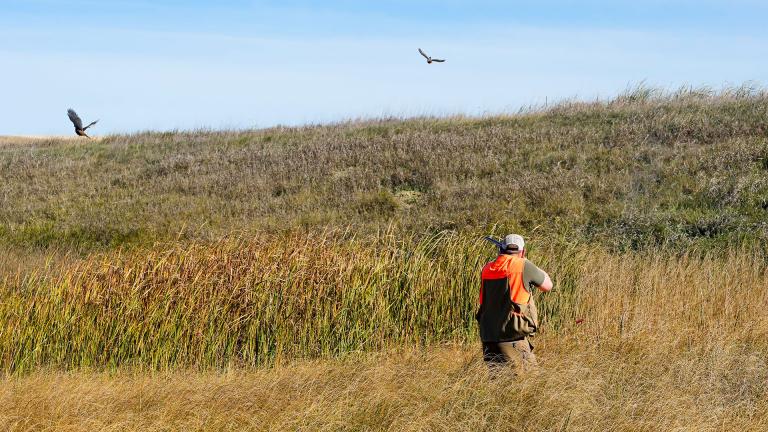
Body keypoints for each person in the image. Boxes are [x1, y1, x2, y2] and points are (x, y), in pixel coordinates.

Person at [477, 234, 553, 374]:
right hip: (513, 340)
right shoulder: (524, 265)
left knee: (497, 387)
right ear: (522, 251)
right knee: (530, 388)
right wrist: (527, 261)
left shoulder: (487, 269)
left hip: (489, 340)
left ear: (500, 250)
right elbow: (547, 286)